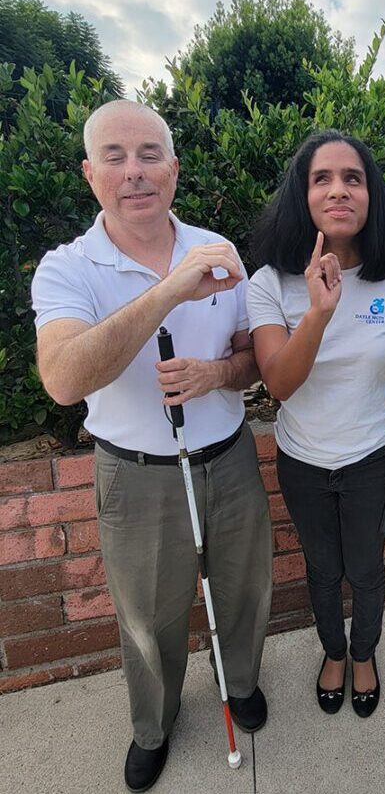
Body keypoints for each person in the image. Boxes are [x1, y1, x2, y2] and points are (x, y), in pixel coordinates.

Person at [31, 100, 272, 792]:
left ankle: (241, 680)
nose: (134, 172)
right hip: (137, 477)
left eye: (148, 155)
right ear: (89, 173)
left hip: (227, 458)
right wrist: (168, 291)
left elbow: (250, 357)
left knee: (244, 590)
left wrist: (219, 373)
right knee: (147, 617)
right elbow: (64, 378)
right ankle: (154, 721)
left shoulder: (215, 247)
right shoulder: (68, 268)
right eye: (115, 156)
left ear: (173, 167)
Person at [246, 130, 385, 718]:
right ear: (302, 194)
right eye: (322, 178)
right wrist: (319, 313)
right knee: (323, 569)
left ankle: (364, 652)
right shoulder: (270, 283)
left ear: (371, 196)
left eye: (353, 178)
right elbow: (279, 383)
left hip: (373, 455)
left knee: (367, 569)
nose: (338, 189)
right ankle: (334, 652)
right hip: (302, 460)